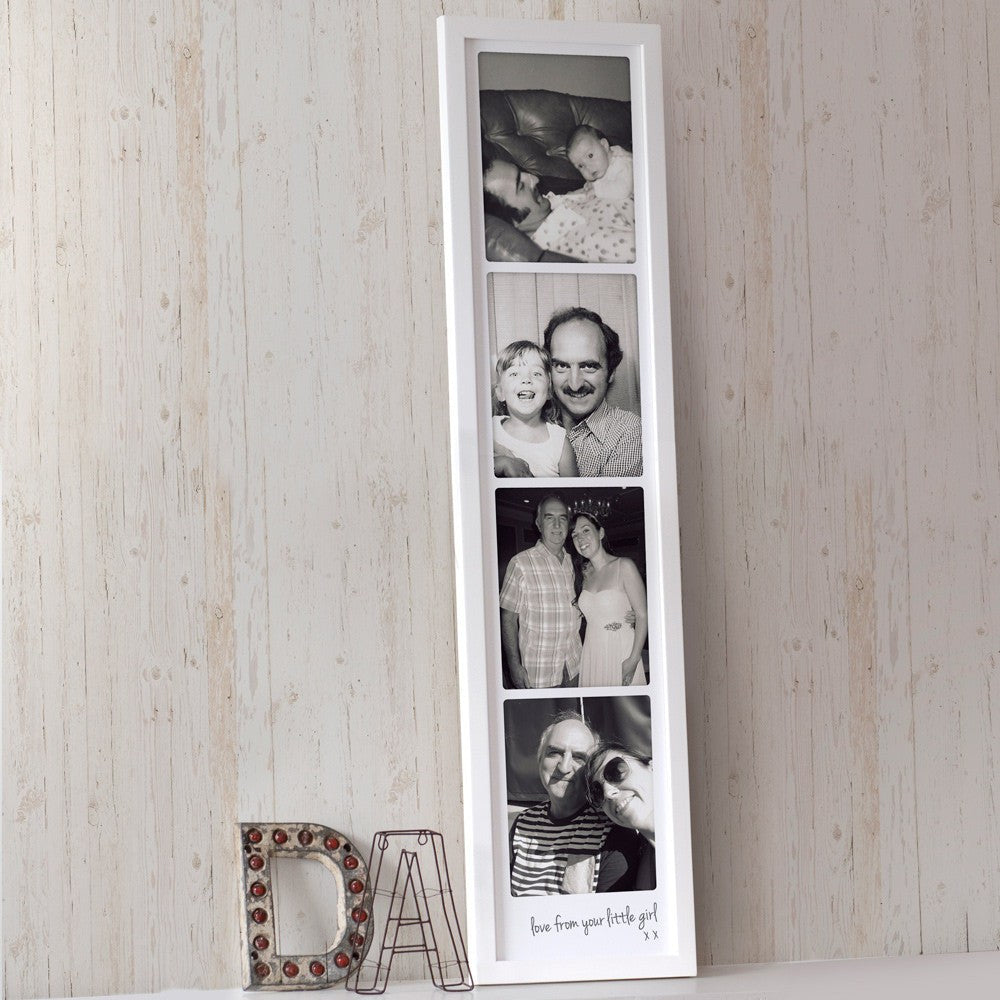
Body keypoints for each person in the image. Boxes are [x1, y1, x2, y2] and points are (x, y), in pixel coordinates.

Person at [509, 713, 613, 896]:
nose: (564, 767)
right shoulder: (523, 823)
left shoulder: (610, 831)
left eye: (579, 757)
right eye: (554, 753)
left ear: (592, 770)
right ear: (540, 759)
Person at [483, 149, 634, 264]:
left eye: (522, 172)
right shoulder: (581, 243)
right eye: (521, 186)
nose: (534, 179)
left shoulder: (550, 202)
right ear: (511, 222)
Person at [542, 307, 643, 477]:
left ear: (611, 371)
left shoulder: (630, 433)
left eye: (588, 366)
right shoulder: (526, 423)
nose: (575, 384)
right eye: (562, 366)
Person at [499, 496, 581, 688]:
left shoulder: (575, 563)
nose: (557, 525)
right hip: (539, 672)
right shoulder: (520, 563)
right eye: (549, 517)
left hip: (575, 665)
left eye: (562, 518)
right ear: (538, 523)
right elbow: (508, 618)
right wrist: (514, 666)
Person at [570, 512, 648, 687]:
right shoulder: (581, 573)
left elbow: (642, 615)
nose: (580, 539)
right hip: (592, 650)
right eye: (575, 535)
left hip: (621, 648)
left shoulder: (624, 566)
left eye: (586, 530)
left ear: (601, 533)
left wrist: (633, 660)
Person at [492, 341, 578, 478]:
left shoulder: (559, 442)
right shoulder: (489, 430)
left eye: (536, 374)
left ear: (549, 391)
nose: (526, 379)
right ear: (500, 392)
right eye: (514, 374)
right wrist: (500, 463)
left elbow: (575, 489)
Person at [585, 741, 656, 891]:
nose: (607, 793)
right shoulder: (635, 868)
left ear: (652, 767)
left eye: (616, 771)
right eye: (597, 793)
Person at [566, 124, 634, 202]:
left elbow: (623, 190)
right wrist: (587, 188)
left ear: (604, 146)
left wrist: (596, 190)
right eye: (581, 165)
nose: (588, 167)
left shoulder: (624, 162)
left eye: (590, 156)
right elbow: (595, 184)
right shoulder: (600, 167)